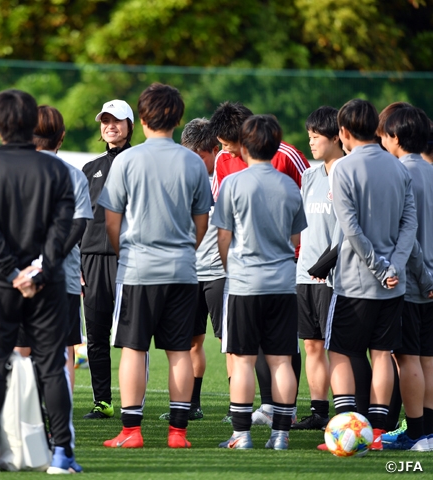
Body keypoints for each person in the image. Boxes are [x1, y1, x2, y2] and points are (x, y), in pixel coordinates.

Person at [0, 89, 81, 474]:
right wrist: (40, 270)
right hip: (46, 283)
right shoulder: (56, 170)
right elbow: (60, 231)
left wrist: (13, 273)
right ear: (32, 123)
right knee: (52, 366)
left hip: (0, 284)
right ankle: (62, 453)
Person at [100, 83, 212, 449]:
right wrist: (183, 250)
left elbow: (111, 220)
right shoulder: (193, 161)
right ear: (177, 119)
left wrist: (124, 253)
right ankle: (178, 433)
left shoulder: (127, 160)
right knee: (179, 350)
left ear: (142, 119)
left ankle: (131, 431)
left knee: (134, 349)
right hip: (182, 270)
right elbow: (201, 222)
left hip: (138, 269)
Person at [208, 100, 309, 426]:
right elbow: (297, 233)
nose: (227, 152)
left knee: (243, 359)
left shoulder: (280, 162)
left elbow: (222, 232)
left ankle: (244, 432)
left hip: (245, 279)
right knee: (281, 358)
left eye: (228, 145)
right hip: (281, 278)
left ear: (247, 138)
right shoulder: (286, 187)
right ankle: (280, 430)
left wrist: (231, 267)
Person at [325, 99, 417, 451]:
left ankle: (346, 431)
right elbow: (410, 223)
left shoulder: (344, 169)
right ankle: (377, 435)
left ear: (344, 132)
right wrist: (392, 265)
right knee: (382, 355)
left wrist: (378, 268)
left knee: (340, 353)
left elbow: (350, 228)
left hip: (355, 282)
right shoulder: (398, 168)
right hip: (393, 286)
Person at [377, 104, 433, 451]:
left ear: (395, 137)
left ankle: (417, 433)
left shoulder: (399, 174)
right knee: (428, 358)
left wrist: (423, 276)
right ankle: (428, 429)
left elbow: (405, 236)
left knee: (407, 357)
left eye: (383, 134)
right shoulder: (430, 170)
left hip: (414, 282)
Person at [158, 118, 221, 422]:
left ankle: (240, 410)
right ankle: (190, 405)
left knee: (231, 344)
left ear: (210, 150)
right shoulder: (178, 173)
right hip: (188, 272)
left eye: (196, 154)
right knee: (190, 340)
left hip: (220, 271)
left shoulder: (226, 173)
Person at [31, 105, 92, 391]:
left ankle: (25, 412)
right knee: (65, 347)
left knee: (22, 346)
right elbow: (78, 226)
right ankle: (60, 412)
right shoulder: (74, 175)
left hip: (22, 274)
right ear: (62, 136)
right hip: (63, 275)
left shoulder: (16, 171)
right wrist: (52, 260)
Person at [81, 99, 134, 419]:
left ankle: (133, 403)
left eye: (117, 121)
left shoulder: (140, 162)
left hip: (129, 258)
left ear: (130, 125)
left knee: (133, 336)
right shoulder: (90, 168)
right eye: (105, 121)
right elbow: (79, 218)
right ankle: (102, 401)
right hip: (92, 260)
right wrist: (78, 260)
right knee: (97, 334)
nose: (110, 126)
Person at [291, 106, 342, 431]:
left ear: (336, 137)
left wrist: (327, 264)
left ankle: (348, 411)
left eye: (316, 137)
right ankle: (318, 411)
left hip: (334, 277)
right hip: (303, 274)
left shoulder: (349, 173)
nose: (311, 142)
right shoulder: (309, 176)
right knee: (310, 344)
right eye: (309, 136)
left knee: (335, 346)